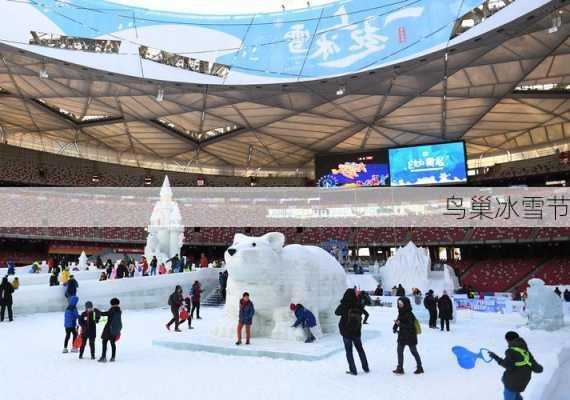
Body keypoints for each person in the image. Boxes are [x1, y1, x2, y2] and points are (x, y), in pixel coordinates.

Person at [488, 331, 543, 400]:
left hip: (511, 383)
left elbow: (507, 365)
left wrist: (495, 357)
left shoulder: (510, 351)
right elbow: (538, 369)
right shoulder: (526, 352)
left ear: (507, 340)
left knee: (510, 396)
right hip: (523, 382)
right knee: (516, 396)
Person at [335, 289, 369, 375]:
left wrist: (343, 304)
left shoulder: (345, 304)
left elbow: (336, 312)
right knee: (360, 349)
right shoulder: (358, 304)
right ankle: (366, 368)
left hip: (346, 332)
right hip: (356, 331)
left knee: (349, 351)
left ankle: (353, 370)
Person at [392, 296, 423, 375]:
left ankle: (420, 367)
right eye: (399, 303)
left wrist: (400, 324)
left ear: (405, 304)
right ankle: (400, 368)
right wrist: (395, 327)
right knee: (399, 351)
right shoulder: (401, 312)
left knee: (414, 352)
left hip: (410, 336)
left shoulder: (409, 314)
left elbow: (409, 326)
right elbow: (398, 320)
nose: (400, 305)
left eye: (401, 304)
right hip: (402, 335)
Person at [99, 298, 122, 363]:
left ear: (112, 304)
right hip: (115, 329)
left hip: (108, 329)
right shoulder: (119, 311)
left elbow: (104, 314)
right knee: (112, 343)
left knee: (104, 342)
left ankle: (103, 357)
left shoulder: (112, 310)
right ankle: (113, 357)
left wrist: (98, 312)